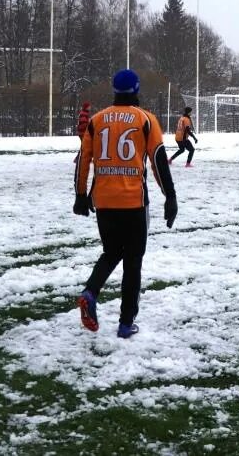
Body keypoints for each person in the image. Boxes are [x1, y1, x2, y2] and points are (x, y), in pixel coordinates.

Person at [75, 69, 178, 339]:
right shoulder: (145, 119)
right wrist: (170, 196)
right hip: (134, 202)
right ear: (136, 90)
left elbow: (83, 159)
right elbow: (157, 160)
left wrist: (80, 194)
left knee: (111, 252)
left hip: (104, 201)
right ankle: (125, 322)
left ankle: (90, 292)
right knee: (133, 261)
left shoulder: (97, 120)